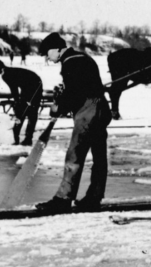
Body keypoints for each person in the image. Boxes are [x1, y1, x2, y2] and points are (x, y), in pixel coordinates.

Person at [35, 32, 112, 212]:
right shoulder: (82, 58)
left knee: (75, 154)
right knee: (99, 155)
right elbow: (79, 86)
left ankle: (63, 199)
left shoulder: (71, 62)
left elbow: (74, 92)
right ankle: (94, 197)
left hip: (89, 111)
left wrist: (58, 107)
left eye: (47, 53)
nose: (47, 57)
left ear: (56, 49)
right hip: (101, 108)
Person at [0, 59, 42, 146]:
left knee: (27, 112)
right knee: (24, 112)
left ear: (0, 68)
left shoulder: (6, 74)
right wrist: (18, 102)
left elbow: (14, 90)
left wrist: (17, 102)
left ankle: (24, 139)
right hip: (32, 84)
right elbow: (16, 89)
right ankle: (22, 138)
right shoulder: (8, 71)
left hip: (34, 85)